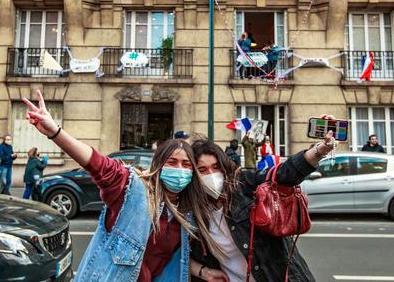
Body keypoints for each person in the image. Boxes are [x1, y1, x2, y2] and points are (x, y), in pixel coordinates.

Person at [23, 90, 221, 282]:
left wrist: (205, 273)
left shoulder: (187, 213)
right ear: (158, 165)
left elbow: (176, 259)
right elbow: (98, 164)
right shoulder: (133, 189)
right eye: (172, 162)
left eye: (186, 165)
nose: (180, 169)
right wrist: (55, 132)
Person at [188, 133, 335, 282]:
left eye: (216, 167)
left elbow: (283, 174)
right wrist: (204, 272)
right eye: (202, 170)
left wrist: (319, 150)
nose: (211, 175)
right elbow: (174, 254)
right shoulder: (193, 211)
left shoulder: (244, 184)